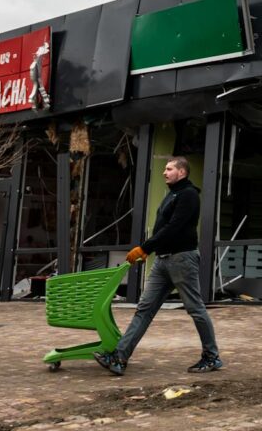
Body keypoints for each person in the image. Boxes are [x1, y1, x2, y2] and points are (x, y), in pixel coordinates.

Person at [93, 156, 223, 375]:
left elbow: (174, 228)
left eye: (169, 168)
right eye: (165, 168)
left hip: (182, 259)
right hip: (163, 261)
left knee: (195, 308)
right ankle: (119, 358)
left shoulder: (189, 195)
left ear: (182, 172)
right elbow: (164, 229)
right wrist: (152, 250)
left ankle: (212, 357)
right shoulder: (171, 195)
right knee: (144, 308)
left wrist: (145, 248)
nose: (164, 172)